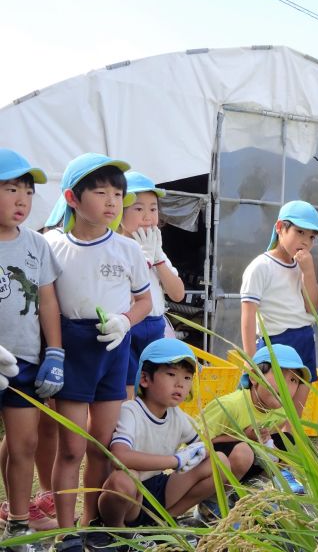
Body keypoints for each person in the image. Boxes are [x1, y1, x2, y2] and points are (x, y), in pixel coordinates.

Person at [45, 153, 152, 552]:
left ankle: (93, 524)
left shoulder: (127, 249)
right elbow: (45, 303)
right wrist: (53, 349)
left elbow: (143, 300)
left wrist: (126, 320)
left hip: (114, 347)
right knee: (71, 445)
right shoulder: (52, 246)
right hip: (72, 346)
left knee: (102, 444)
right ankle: (64, 529)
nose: (112, 202)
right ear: (72, 198)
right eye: (101, 192)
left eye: (117, 194)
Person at [0, 149, 63, 549]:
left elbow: (48, 301)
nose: (22, 200)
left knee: (24, 444)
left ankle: (18, 524)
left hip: (24, 361)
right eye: (10, 189)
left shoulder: (37, 245)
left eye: (28, 191)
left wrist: (54, 351)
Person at [96, 338, 216, 539]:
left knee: (219, 461)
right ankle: (117, 531)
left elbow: (205, 446)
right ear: (145, 379)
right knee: (124, 479)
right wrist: (175, 460)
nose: (180, 384)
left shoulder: (178, 416)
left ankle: (164, 521)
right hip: (133, 496)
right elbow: (119, 456)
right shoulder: (131, 411)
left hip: (161, 489)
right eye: (171, 374)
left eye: (187, 378)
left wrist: (197, 453)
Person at [196, 344, 310, 499]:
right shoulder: (230, 406)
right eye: (279, 376)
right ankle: (214, 500)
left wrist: (266, 440)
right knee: (244, 451)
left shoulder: (280, 412)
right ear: (254, 376)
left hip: (244, 462)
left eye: (293, 380)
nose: (286, 387)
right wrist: (242, 436)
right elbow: (195, 443)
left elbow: (271, 439)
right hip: (207, 466)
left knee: (286, 442)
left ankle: (247, 492)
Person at [240, 200, 318, 416]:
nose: (305, 241)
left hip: (304, 338)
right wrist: (250, 360)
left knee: (296, 413)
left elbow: (312, 308)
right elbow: (248, 314)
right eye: (299, 232)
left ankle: (291, 446)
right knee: (266, 410)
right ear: (280, 228)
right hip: (276, 342)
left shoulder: (302, 266)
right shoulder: (261, 266)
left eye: (311, 237)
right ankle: (262, 448)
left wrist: (309, 272)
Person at [119, 171, 185, 399]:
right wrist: (141, 260)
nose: (147, 216)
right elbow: (121, 297)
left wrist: (157, 259)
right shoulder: (115, 247)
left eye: (153, 208)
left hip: (155, 325)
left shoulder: (156, 247)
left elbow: (178, 294)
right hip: (127, 325)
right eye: (138, 208)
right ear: (119, 211)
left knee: (155, 391)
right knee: (126, 389)